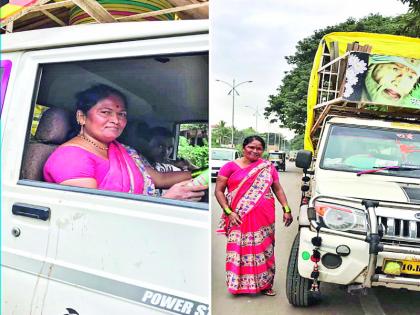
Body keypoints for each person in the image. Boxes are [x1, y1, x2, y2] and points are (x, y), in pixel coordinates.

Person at [43, 84, 206, 201]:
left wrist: (202, 174)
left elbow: (159, 178)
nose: (115, 120)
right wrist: (168, 199)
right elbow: (87, 217)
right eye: (105, 112)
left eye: (122, 114)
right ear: (82, 116)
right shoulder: (71, 158)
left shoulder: (122, 150)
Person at [214, 135, 293, 296]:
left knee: (264, 249)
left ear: (263, 151)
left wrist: (286, 209)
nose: (255, 151)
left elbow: (277, 189)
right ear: (243, 148)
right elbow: (218, 191)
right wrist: (229, 212)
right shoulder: (229, 167)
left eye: (259, 148)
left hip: (265, 217)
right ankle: (238, 285)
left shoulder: (267, 167)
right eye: (251, 147)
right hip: (238, 217)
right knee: (239, 250)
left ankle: (265, 285)